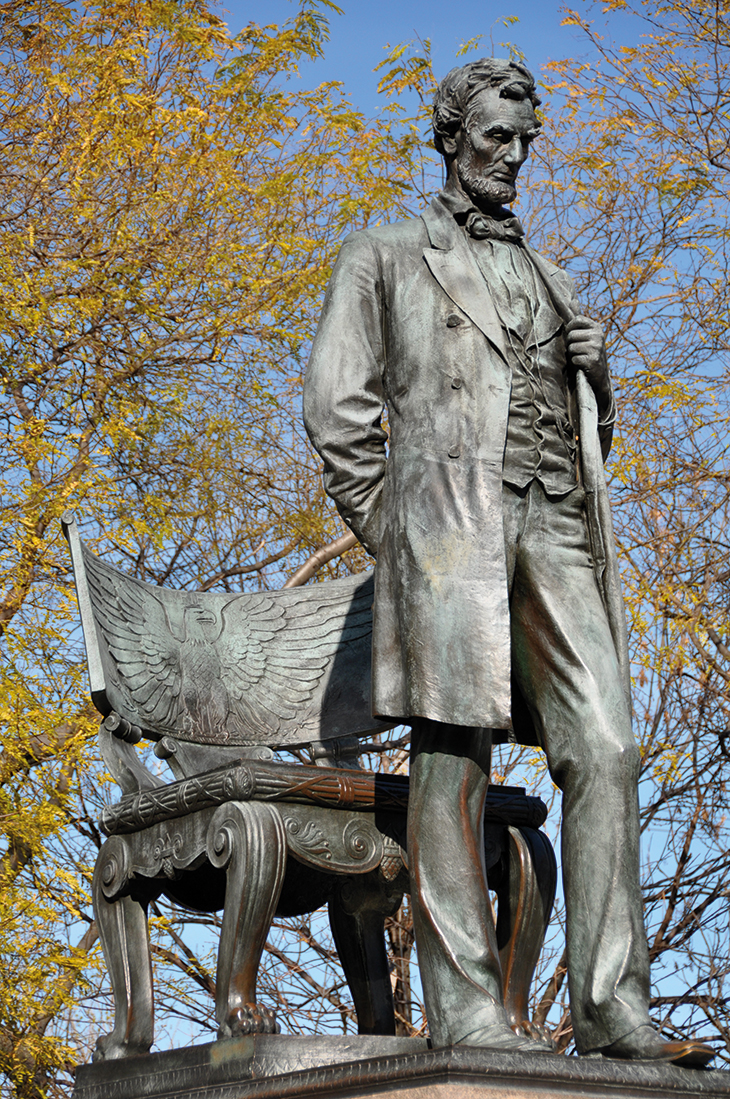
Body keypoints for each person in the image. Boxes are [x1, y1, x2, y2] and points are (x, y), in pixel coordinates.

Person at [303, 57, 712, 1067]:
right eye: (496, 136)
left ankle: (613, 1006)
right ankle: (471, 1012)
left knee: (606, 746)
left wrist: (598, 381)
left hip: (556, 526)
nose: (513, 156)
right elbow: (337, 410)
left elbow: (574, 428)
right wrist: (398, 537)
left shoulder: (549, 275)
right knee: (453, 762)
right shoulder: (388, 253)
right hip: (450, 533)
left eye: (526, 141)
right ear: (451, 134)